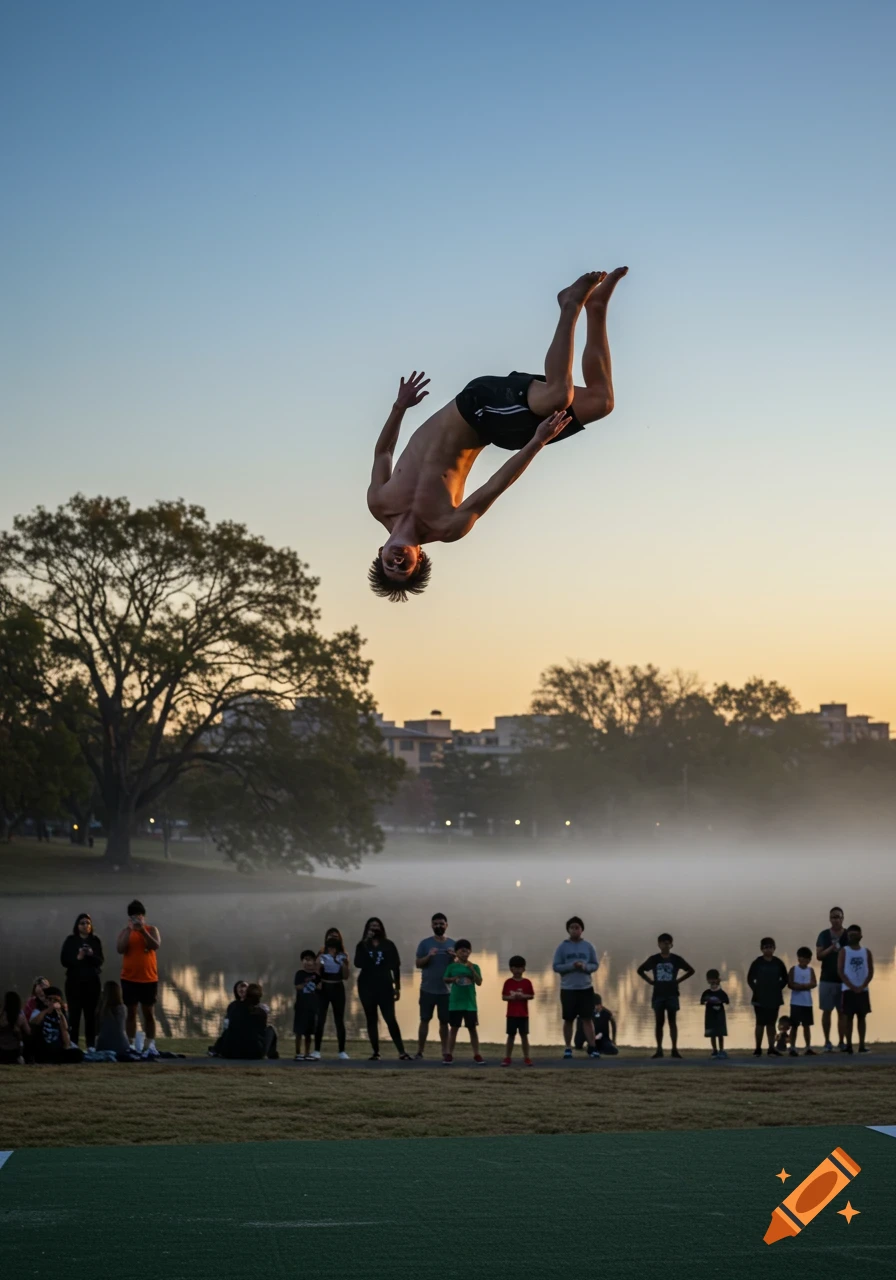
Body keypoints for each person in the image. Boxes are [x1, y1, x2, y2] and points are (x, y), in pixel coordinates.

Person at [366, 269, 628, 601]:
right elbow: (496, 486)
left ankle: (570, 304)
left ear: (381, 552)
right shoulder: (449, 526)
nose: (397, 561)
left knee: (559, 396)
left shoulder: (379, 502)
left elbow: (383, 454)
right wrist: (537, 441)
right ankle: (597, 308)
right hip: (501, 431)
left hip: (474, 406)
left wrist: (399, 407)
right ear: (420, 558)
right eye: (403, 567)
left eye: (389, 565)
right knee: (601, 402)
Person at [354, 917, 411, 1061]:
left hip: (385, 986)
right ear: (367, 929)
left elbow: (395, 967)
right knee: (371, 1019)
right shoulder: (362, 945)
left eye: (377, 926)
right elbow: (357, 963)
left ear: (382, 928)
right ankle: (375, 1052)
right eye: (371, 926)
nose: (374, 928)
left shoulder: (388, 945)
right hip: (366, 987)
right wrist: (365, 943)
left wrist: (397, 987)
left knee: (390, 1018)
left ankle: (402, 1052)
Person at [637, 933, 696, 1059]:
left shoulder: (676, 959)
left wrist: (678, 981)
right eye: (663, 943)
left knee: (672, 1021)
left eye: (668, 943)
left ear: (671, 944)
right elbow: (640, 970)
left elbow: (691, 970)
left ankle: (674, 1049)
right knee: (659, 1022)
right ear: (658, 944)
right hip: (658, 994)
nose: (665, 945)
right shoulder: (654, 959)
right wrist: (650, 981)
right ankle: (659, 1049)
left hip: (672, 994)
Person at [116, 899, 161, 1057]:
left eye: (140, 916)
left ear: (144, 917)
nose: (137, 919)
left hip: (149, 978)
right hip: (129, 978)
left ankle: (149, 1044)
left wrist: (142, 931)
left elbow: (155, 945)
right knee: (131, 1012)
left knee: (148, 1013)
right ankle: (131, 1043)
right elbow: (120, 949)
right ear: (129, 918)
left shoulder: (151, 929)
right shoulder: (125, 932)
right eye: (134, 916)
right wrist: (130, 930)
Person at [552, 915, 601, 1059]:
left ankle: (592, 1047)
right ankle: (568, 1048)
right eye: (572, 928)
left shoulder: (588, 946)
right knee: (568, 1019)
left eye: (577, 927)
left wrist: (584, 966)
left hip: (585, 988)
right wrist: (571, 966)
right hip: (568, 989)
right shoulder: (562, 947)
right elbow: (556, 966)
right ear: (568, 930)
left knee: (587, 1018)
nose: (574, 930)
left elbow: (595, 965)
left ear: (582, 930)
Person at [414, 912, 456, 1058]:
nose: (438, 926)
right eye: (436, 924)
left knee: (444, 1022)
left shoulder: (453, 944)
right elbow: (418, 964)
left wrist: (453, 958)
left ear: (446, 925)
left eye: (441, 924)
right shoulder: (425, 944)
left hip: (446, 991)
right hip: (427, 989)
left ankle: (445, 1050)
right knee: (424, 1020)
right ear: (432, 925)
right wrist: (429, 956)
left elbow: (457, 968)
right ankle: (420, 1051)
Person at [60, 912, 104, 1048]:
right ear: (77, 925)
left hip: (92, 984)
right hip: (74, 984)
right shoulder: (70, 940)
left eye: (88, 923)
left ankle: (91, 1046)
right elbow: (64, 961)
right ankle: (73, 1045)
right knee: (74, 1015)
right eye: (82, 923)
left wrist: (90, 955)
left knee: (91, 1016)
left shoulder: (95, 941)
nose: (86, 925)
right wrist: (78, 957)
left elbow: (100, 961)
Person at [747, 938, 789, 1056]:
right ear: (761, 949)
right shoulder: (757, 962)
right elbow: (750, 978)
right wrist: (756, 989)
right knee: (760, 1023)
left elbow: (785, 978)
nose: (768, 949)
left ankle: (771, 1048)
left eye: (770, 947)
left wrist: (777, 988)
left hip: (774, 998)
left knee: (771, 1024)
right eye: (765, 947)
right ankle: (758, 1048)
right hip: (759, 998)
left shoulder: (778, 963)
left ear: (774, 948)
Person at [443, 939, 483, 1063]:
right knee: (454, 1028)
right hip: (455, 1003)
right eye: (461, 951)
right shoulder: (452, 966)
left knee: (472, 1029)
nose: (464, 953)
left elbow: (479, 982)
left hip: (470, 1004)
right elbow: (445, 979)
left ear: (470, 952)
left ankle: (477, 1054)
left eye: (467, 951)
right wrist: (453, 979)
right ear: (456, 952)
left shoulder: (474, 966)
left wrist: (472, 970)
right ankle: (449, 1054)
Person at [314, 928, 351, 1060]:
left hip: (337, 987)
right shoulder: (322, 953)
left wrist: (345, 965)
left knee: (339, 1020)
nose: (333, 938)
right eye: (330, 936)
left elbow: (346, 976)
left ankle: (342, 1051)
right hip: (324, 987)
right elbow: (316, 971)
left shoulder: (343, 955)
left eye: (335, 936)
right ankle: (317, 1050)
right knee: (320, 1020)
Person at [838, 924, 874, 1054]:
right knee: (848, 1018)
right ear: (847, 936)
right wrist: (852, 986)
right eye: (850, 935)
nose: (853, 937)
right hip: (848, 990)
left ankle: (862, 1045)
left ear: (861, 936)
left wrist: (862, 986)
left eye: (855, 935)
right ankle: (848, 1045)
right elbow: (841, 971)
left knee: (862, 1017)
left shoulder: (866, 952)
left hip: (863, 991)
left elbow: (870, 972)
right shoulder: (844, 951)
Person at [816, 906, 847, 1053]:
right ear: (830, 919)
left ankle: (842, 1042)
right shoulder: (823, 935)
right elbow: (819, 956)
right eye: (833, 917)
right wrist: (831, 948)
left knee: (842, 1012)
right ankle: (827, 1041)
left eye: (838, 917)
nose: (836, 919)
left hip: (844, 981)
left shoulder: (848, 935)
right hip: (827, 979)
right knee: (826, 1011)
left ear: (843, 918)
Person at [29, 986, 83, 1063]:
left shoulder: (61, 1015)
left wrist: (60, 1014)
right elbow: (34, 1022)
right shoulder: (38, 1011)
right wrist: (47, 1010)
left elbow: (65, 1033)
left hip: (57, 1051)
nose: (52, 1002)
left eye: (55, 1000)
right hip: (42, 1050)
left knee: (78, 1054)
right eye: (50, 999)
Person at [221, 983, 275, 1059]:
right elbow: (261, 1033)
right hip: (253, 1053)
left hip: (230, 1052)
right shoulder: (261, 1012)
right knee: (270, 1030)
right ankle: (272, 1054)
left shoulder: (234, 1007)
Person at [501, 955, 534, 1066]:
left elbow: (531, 996)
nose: (518, 970)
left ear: (524, 969)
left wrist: (522, 996)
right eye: (515, 968)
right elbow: (504, 997)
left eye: (520, 968)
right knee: (511, 1036)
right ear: (511, 969)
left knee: (524, 1036)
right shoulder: (508, 982)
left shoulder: (527, 982)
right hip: (511, 1014)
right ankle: (507, 1057)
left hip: (523, 1014)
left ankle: (527, 1057)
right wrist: (513, 997)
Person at [787, 947, 817, 1056]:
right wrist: (802, 986)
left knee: (807, 1026)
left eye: (807, 959)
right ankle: (792, 1047)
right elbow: (790, 984)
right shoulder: (793, 969)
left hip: (807, 1002)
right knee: (794, 1026)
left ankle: (808, 1047)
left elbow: (814, 983)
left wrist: (803, 986)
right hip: (796, 1002)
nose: (805, 961)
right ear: (798, 958)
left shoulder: (811, 970)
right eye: (803, 958)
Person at [294, 951, 323, 1061]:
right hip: (301, 1006)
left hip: (312, 1007)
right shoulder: (299, 974)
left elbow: (320, 988)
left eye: (310, 960)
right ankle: (298, 1053)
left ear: (314, 961)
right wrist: (307, 983)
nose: (308, 962)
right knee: (298, 1031)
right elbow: (298, 987)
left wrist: (317, 983)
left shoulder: (316, 975)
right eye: (305, 960)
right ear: (302, 962)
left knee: (308, 1032)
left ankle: (307, 1053)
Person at [95, 981, 131, 1058]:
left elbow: (97, 1030)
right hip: (123, 1046)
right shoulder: (123, 1008)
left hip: (103, 1046)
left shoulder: (101, 1009)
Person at [700, 970, 729, 1059]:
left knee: (720, 1033)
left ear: (718, 980)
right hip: (710, 1015)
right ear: (707, 980)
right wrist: (707, 999)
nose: (712, 982)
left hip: (719, 1015)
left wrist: (719, 1001)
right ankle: (714, 1050)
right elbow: (702, 1001)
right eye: (710, 979)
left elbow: (726, 1001)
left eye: (714, 979)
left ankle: (721, 1050)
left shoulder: (721, 992)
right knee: (712, 1033)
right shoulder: (706, 992)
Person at [0, 991, 29, 1064]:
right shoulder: (20, 1017)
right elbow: (28, 1032)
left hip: (1, 1050)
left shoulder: (1, 1017)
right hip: (15, 1051)